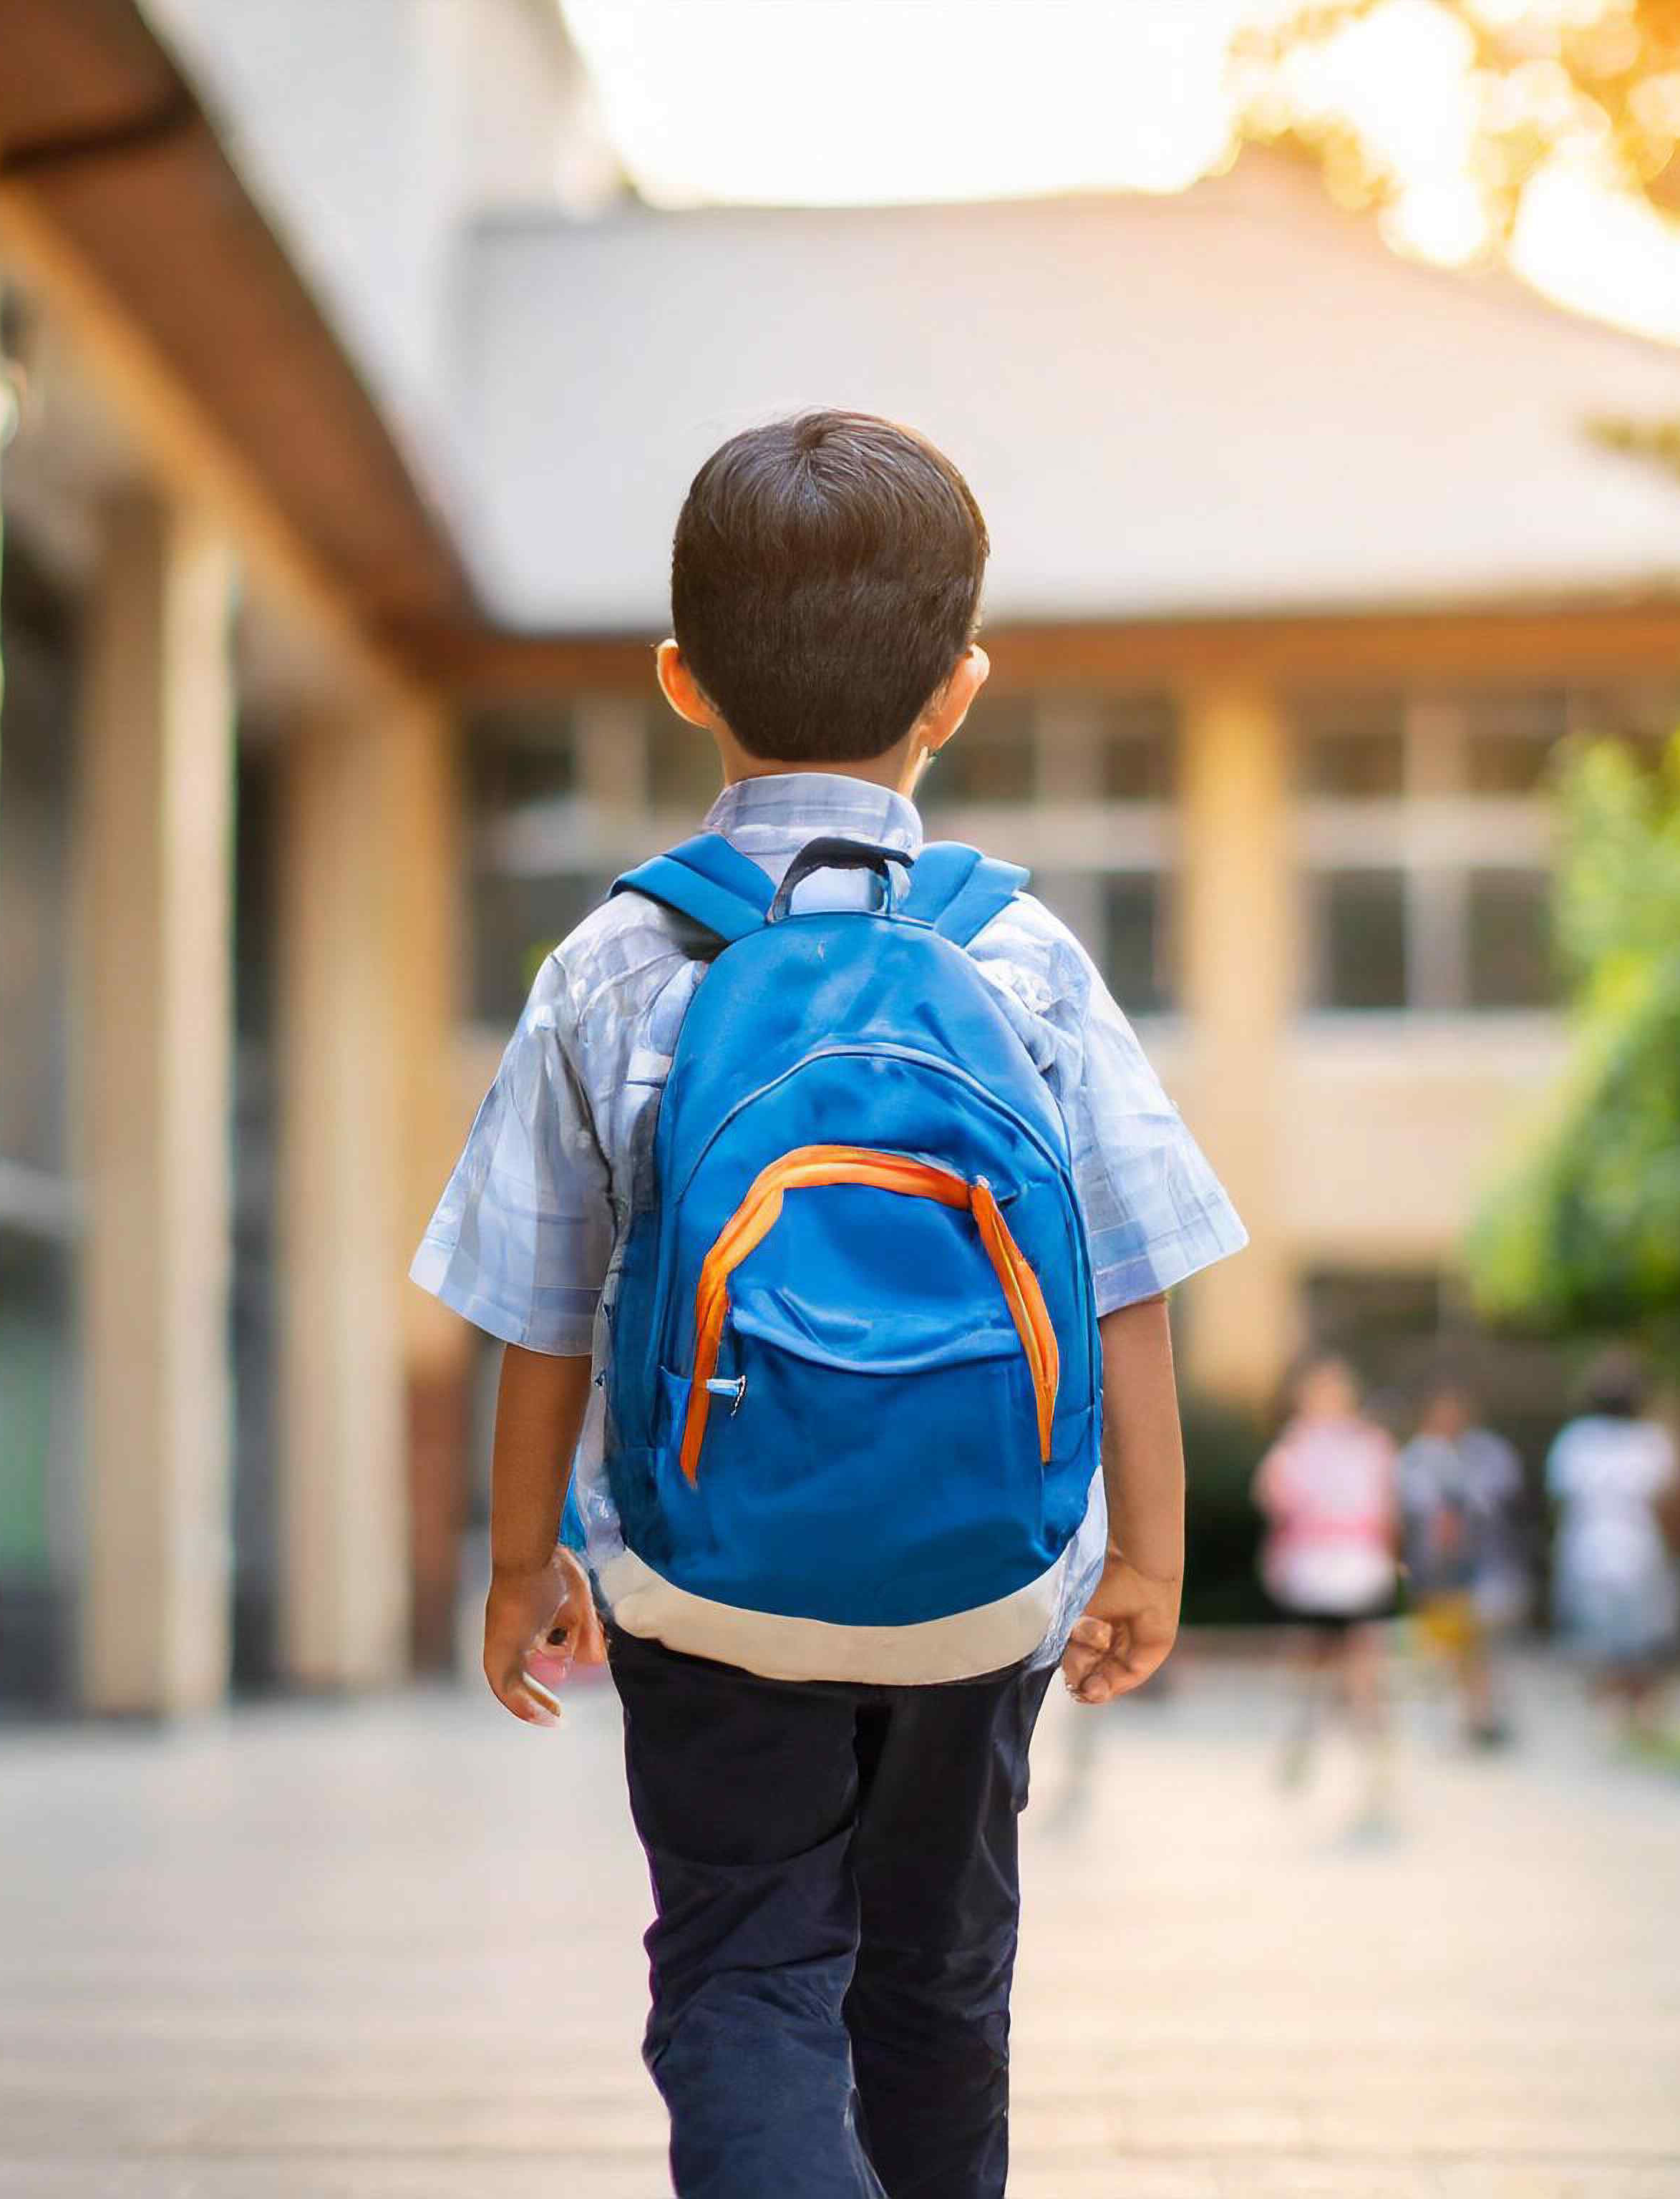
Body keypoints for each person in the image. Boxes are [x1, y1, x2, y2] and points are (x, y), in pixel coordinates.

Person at [412, 411, 1244, 2199]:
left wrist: (514, 1561)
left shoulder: (617, 957)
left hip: (700, 1580)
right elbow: (1129, 1279)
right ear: (958, 689)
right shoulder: (1019, 956)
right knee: (939, 1978)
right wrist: (1153, 1559)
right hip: (980, 1580)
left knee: (744, 1962)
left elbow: (539, 1303)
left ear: (681, 680)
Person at [1256, 1356, 1404, 1820]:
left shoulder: (1319, 1447)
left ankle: (1365, 1758)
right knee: (1320, 1661)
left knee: (1355, 1668)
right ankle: (1323, 1745)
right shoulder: (1322, 1446)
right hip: (1328, 1568)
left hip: (1345, 1567)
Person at [1547, 1362, 1680, 1747]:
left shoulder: (1577, 1441)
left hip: (1594, 1551)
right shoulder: (1651, 1441)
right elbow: (1670, 1504)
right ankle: (1629, 1711)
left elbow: (1561, 1499)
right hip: (1634, 1550)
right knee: (1635, 1639)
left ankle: (1621, 1711)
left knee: (1616, 1639)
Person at [1399, 1382, 1525, 1749]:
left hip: (1484, 1566)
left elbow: (1498, 1502)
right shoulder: (1417, 1458)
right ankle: (1445, 1720)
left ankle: (1481, 1716)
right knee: (1438, 1648)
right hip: (1436, 1571)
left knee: (1481, 1644)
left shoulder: (1490, 1454)